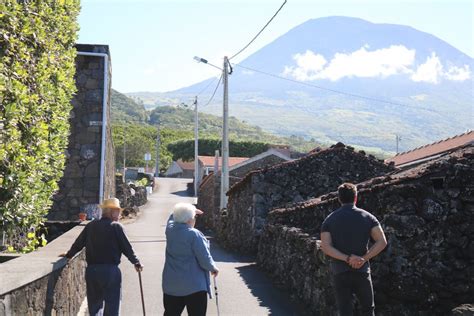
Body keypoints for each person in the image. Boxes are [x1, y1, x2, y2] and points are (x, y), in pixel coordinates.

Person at [61, 198, 143, 316]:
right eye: (118, 211)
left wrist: (69, 255)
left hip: (92, 271)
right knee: (112, 306)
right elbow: (127, 248)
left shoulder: (91, 226)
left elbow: (78, 243)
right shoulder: (116, 227)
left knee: (94, 307)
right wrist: (136, 262)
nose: (119, 214)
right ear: (111, 212)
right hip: (111, 272)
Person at [320, 183, 387, 316]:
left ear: (339, 199)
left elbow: (326, 247)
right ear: (356, 198)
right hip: (362, 270)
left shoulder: (329, 220)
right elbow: (382, 242)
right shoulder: (368, 217)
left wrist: (347, 258)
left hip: (340, 271)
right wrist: (363, 259)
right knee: (368, 309)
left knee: (345, 310)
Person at [162, 203, 219, 316]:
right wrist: (213, 268)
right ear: (189, 219)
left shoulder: (170, 230)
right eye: (194, 217)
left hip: (172, 285)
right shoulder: (194, 234)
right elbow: (204, 258)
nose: (195, 219)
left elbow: (172, 217)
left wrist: (187, 210)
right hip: (194, 287)